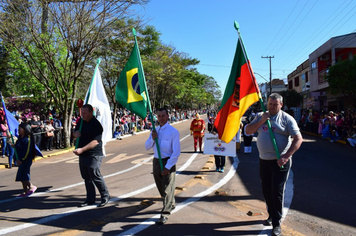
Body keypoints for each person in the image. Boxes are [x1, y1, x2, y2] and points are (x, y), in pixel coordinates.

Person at [245, 93, 303, 236]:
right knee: (266, 190)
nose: (272, 107)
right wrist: (261, 121)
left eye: (275, 104)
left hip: (280, 161)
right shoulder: (260, 116)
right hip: (264, 160)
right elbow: (247, 131)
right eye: (270, 104)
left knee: (276, 191)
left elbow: (298, 139)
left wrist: (286, 156)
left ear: (281, 105)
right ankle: (271, 214)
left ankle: (277, 224)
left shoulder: (287, 119)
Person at [145, 108, 181, 225]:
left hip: (167, 161)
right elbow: (147, 147)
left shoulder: (173, 131)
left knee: (167, 188)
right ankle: (170, 203)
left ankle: (165, 213)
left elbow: (176, 152)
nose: (161, 118)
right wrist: (152, 138)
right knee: (160, 185)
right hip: (156, 161)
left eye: (163, 115)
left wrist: (168, 167)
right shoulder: (155, 130)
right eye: (159, 116)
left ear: (167, 116)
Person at [73, 104, 110, 208]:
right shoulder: (80, 122)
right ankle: (90, 199)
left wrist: (82, 149)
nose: (82, 115)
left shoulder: (96, 125)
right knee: (86, 177)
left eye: (84, 113)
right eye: (81, 113)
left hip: (93, 154)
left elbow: (95, 142)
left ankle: (105, 196)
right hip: (83, 154)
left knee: (95, 174)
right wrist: (75, 134)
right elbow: (74, 132)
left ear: (90, 113)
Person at [15, 123, 37, 197]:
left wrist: (21, 159)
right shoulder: (20, 138)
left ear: (25, 129)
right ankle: (25, 191)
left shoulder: (28, 139)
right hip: (20, 160)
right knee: (22, 176)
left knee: (23, 175)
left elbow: (27, 151)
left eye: (20, 129)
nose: (18, 130)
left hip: (25, 160)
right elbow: (18, 147)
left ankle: (31, 186)